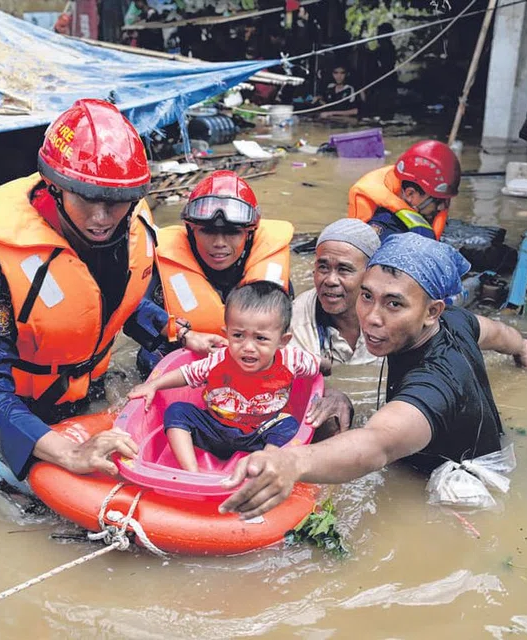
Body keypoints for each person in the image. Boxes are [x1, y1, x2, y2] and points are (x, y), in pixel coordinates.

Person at [0, 99, 218, 480]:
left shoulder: (127, 226)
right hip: (19, 409)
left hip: (86, 389)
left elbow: (122, 301)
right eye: (87, 200)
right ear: (55, 188)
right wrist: (69, 453)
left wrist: (181, 333)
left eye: (114, 203)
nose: (101, 219)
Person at [218, 233, 527, 519]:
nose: (371, 318)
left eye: (393, 304)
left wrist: (292, 462)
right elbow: (496, 333)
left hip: (462, 482)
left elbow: (377, 443)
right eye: (366, 296)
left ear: (432, 311)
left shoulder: (436, 381)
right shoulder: (456, 321)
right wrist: (521, 347)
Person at [128, 282, 320, 472]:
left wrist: (325, 367)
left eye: (260, 338)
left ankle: (264, 465)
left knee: (288, 425)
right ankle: (191, 471)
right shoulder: (219, 359)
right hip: (214, 428)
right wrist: (153, 385)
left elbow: (318, 367)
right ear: (226, 334)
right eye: (238, 336)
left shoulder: (292, 359)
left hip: (261, 432)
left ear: (282, 341)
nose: (248, 347)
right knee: (177, 411)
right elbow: (187, 373)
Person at [138, 170, 293, 376]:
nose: (219, 243)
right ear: (191, 231)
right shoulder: (160, 267)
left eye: (232, 232)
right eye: (208, 231)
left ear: (249, 235)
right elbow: (132, 308)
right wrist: (184, 334)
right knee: (149, 358)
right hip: (182, 356)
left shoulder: (270, 272)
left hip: (250, 361)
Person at [290, 219, 382, 371]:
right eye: (323, 268)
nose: (331, 280)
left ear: (370, 274)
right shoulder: (296, 321)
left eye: (344, 269)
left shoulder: (393, 320)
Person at [347, 140, 461, 242]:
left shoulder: (406, 179)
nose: (442, 207)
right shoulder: (383, 228)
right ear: (410, 194)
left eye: (446, 200)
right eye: (438, 201)